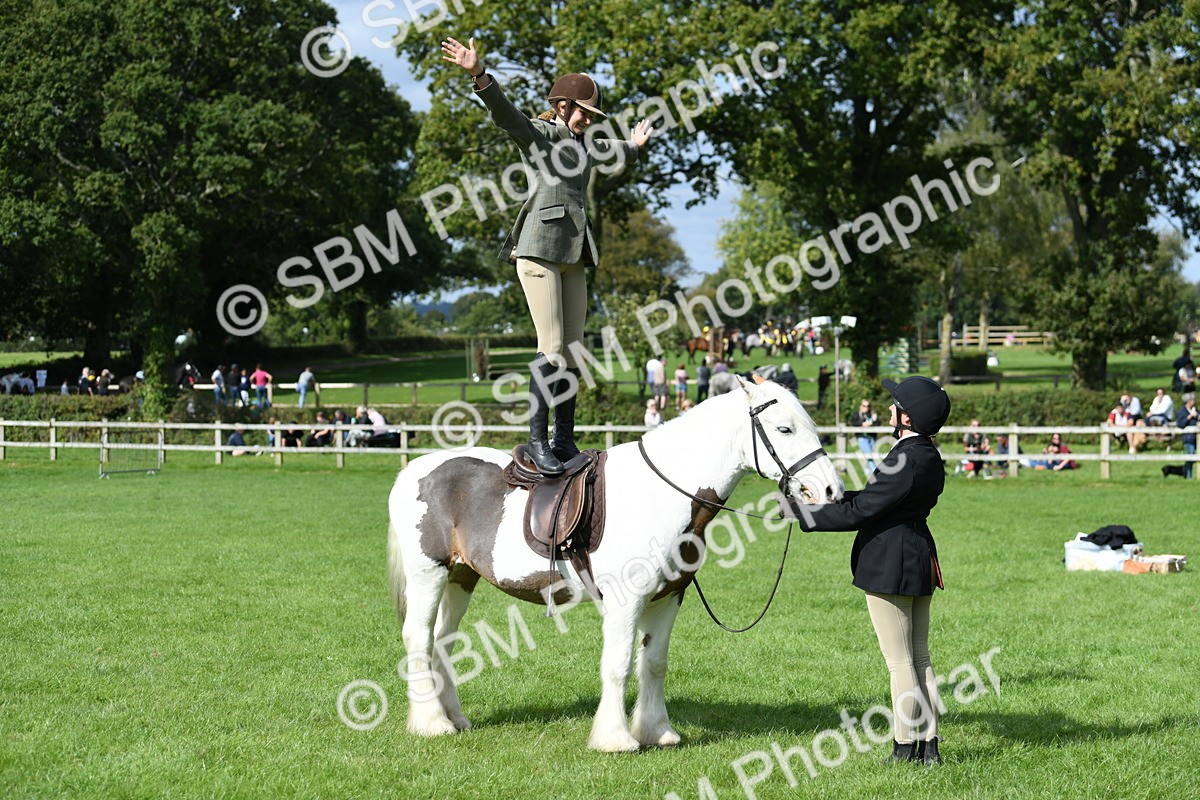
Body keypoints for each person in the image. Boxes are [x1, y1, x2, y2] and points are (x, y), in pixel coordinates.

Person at [441, 35, 652, 476]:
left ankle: (564, 439)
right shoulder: (541, 136)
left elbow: (612, 151)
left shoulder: (585, 144)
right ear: (561, 106)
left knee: (573, 351)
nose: (586, 120)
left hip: (573, 253)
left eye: (591, 115)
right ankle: (537, 441)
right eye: (582, 112)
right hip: (538, 250)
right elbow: (506, 115)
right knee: (552, 348)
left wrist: (634, 146)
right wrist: (480, 75)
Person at [785, 376, 951, 765]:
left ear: (907, 417)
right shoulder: (927, 455)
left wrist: (801, 513)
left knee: (900, 662)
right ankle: (929, 745)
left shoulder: (903, 458)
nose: (890, 407)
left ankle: (904, 746)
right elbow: (878, 500)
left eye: (896, 404)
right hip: (919, 556)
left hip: (891, 562)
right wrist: (830, 498)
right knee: (920, 658)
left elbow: (861, 513)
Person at [1163, 398, 1198, 478]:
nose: (1194, 402)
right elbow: (1180, 424)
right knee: (1190, 456)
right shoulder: (1182, 411)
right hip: (1188, 437)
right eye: (1193, 400)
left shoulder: (1195, 410)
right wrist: (1189, 417)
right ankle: (1188, 475)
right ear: (1188, 401)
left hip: (1196, 437)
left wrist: (1197, 415)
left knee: (1194, 457)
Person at [850, 399, 879, 472]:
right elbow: (853, 422)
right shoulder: (857, 414)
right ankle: (875, 471)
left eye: (867, 406)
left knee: (872, 455)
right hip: (862, 438)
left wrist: (872, 422)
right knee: (869, 455)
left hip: (872, 438)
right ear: (861, 406)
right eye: (864, 406)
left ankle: (868, 472)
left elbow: (877, 424)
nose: (866, 407)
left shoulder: (872, 414)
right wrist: (862, 424)